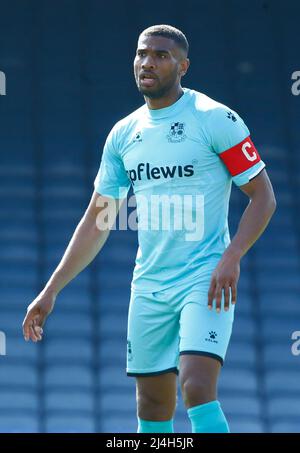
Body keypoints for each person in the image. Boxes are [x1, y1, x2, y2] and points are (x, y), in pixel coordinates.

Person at [22, 24, 276, 433]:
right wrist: (51, 290)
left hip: (205, 276)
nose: (147, 62)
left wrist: (232, 256)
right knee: (153, 405)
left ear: (183, 66)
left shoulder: (214, 119)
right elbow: (97, 219)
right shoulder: (124, 134)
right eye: (142, 54)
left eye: (160, 55)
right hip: (149, 285)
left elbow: (263, 197)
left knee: (196, 387)